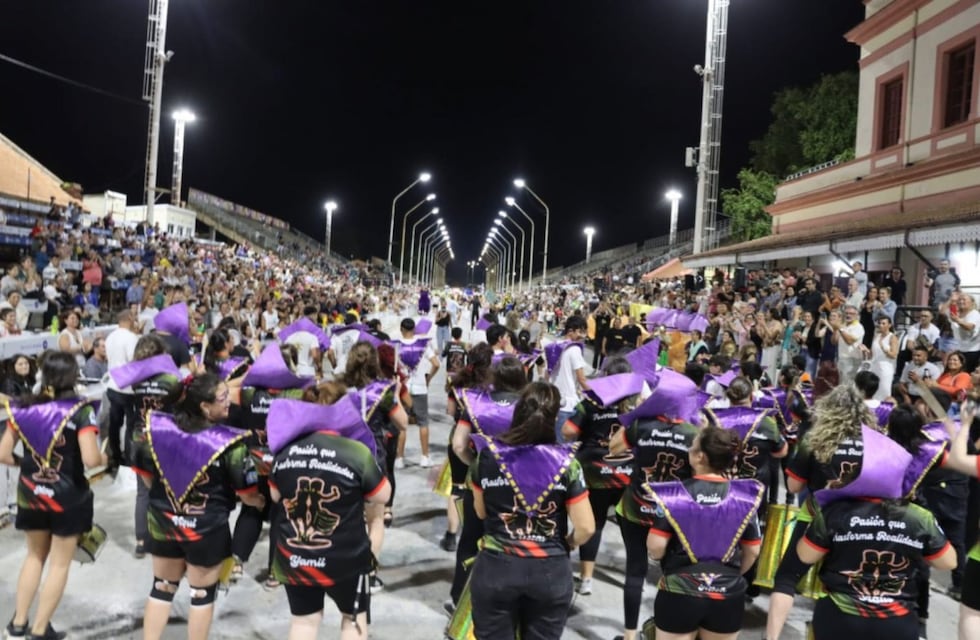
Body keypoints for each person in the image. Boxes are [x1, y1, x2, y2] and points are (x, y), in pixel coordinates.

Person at [132, 373, 263, 640]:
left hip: (164, 522)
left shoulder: (157, 432)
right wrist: (260, 503)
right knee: (201, 596)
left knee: (162, 587)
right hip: (206, 530)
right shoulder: (230, 445)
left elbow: (145, 479)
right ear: (205, 406)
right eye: (223, 398)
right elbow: (248, 494)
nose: (229, 403)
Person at [469, 381, 596, 639]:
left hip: (496, 569)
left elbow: (481, 513)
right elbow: (586, 528)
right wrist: (567, 543)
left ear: (518, 412)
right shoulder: (567, 464)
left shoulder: (487, 457)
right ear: (555, 419)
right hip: (549, 571)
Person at [267, 384, 391, 640]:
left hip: (296, 556)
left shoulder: (285, 450)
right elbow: (383, 495)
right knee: (352, 619)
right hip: (346, 557)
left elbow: (275, 495)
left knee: (304, 622)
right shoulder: (356, 452)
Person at [0, 351, 107, 640]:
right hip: (66, 495)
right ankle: (39, 630)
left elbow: (2, 453)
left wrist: (27, 466)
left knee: (34, 556)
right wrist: (104, 455)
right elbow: (91, 458)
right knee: (59, 564)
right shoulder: (81, 410)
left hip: (31, 492)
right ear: (72, 377)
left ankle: (17, 624)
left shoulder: (22, 408)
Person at [765, 384, 879, 640]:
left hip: (816, 516)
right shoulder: (876, 443)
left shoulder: (816, 439)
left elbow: (793, 485)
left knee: (786, 578)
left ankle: (771, 637)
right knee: (840, 583)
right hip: (859, 521)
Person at [797, 466, 955, 639]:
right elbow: (948, 562)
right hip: (896, 618)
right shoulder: (920, 518)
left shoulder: (835, 512)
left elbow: (805, 555)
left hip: (840, 614)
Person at [644, 425, 765, 640]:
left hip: (680, 590)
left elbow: (656, 547)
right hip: (728, 593)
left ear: (700, 456)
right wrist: (733, 575)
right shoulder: (745, 497)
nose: (688, 449)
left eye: (692, 446)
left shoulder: (675, 494)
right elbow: (753, 551)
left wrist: (664, 561)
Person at [608, 369, 703, 640]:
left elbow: (614, 447)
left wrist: (637, 417)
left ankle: (628, 635)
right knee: (672, 575)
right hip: (672, 515)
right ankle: (663, 632)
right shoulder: (692, 433)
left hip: (635, 509)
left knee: (635, 572)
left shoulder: (642, 426)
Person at [231, 343, 314, 589]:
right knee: (281, 515)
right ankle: (274, 573)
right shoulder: (300, 394)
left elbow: (224, 388)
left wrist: (251, 375)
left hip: (253, 459)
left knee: (251, 509)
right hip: (284, 461)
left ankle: (236, 562)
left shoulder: (248, 392)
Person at [447, 350, 525, 610]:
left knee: (470, 537)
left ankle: (459, 598)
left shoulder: (475, 403)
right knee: (512, 539)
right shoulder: (530, 405)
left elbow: (458, 445)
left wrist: (476, 464)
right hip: (520, 485)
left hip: (480, 483)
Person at [562, 357, 643, 597]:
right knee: (631, 529)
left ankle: (586, 579)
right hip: (626, 475)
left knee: (594, 523)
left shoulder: (590, 403)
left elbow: (568, 430)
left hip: (595, 473)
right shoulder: (638, 408)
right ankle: (633, 580)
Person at [341, 341, 408, 594]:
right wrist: (398, 393)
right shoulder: (384, 391)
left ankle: (344, 569)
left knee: (347, 517)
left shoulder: (337, 388)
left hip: (342, 459)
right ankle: (368, 573)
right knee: (375, 519)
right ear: (374, 363)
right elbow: (402, 424)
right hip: (372, 460)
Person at [394, 317, 439, 469]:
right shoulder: (424, 345)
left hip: (403, 389)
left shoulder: (396, 346)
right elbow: (436, 364)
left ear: (401, 329)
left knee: (401, 424)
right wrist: (429, 378)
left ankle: (399, 458)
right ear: (414, 329)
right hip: (420, 387)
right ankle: (425, 457)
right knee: (423, 422)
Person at [547, 315, 590, 437]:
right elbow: (582, 379)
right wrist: (595, 397)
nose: (583, 336)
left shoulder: (553, 347)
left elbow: (547, 373)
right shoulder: (575, 349)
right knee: (564, 447)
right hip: (568, 405)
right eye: (580, 331)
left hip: (553, 402)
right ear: (570, 331)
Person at [865, 316, 899, 401]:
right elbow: (872, 354)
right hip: (874, 366)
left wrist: (884, 348)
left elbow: (894, 355)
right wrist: (865, 350)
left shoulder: (892, 337)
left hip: (886, 368)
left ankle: (885, 411)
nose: (881, 325)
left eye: (883, 323)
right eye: (879, 323)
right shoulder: (876, 336)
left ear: (889, 325)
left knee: (884, 390)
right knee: (873, 390)